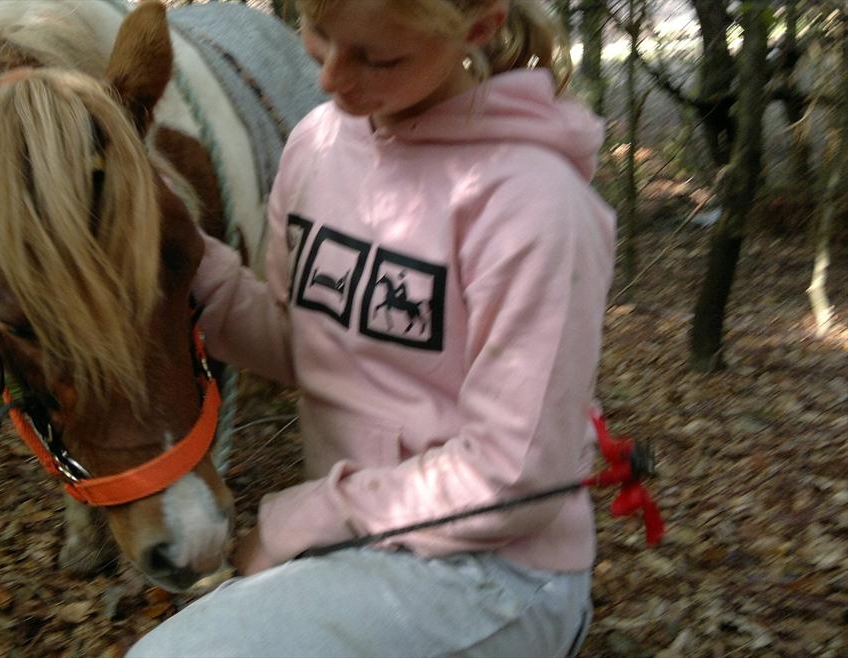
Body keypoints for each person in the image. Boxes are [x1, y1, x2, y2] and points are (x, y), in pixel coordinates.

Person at [129, 0, 614, 655]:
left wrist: (302, 521)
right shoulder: (318, 145)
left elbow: (512, 479)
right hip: (365, 540)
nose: (331, 76)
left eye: (377, 57)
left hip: (497, 569)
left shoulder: (533, 204)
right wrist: (193, 264)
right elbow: (305, 346)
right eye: (319, 34)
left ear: (478, 28)